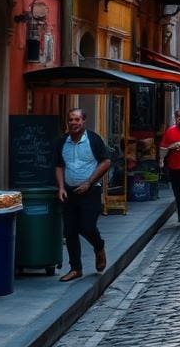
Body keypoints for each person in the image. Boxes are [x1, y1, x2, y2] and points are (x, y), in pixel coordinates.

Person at [54, 108, 111, 282]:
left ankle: (99, 246)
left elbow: (106, 161)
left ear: (83, 121)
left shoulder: (93, 140)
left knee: (87, 226)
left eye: (77, 119)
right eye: (71, 119)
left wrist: (89, 182)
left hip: (90, 191)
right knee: (70, 230)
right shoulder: (62, 141)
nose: (73, 123)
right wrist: (61, 187)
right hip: (70, 192)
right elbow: (59, 165)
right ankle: (75, 268)